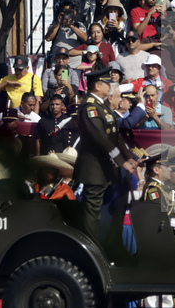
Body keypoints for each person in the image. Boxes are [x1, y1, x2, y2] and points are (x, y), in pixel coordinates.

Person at [74, 68, 137, 244]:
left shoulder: (102, 107)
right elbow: (101, 138)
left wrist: (128, 156)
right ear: (98, 85)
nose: (109, 86)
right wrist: (121, 162)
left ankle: (110, 246)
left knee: (111, 210)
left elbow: (115, 136)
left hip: (107, 170)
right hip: (94, 171)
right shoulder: (89, 108)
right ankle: (93, 252)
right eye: (106, 83)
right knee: (92, 215)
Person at [44, 1, 88, 71]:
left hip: (74, 65)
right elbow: (48, 38)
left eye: (69, 11)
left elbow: (85, 38)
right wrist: (59, 23)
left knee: (72, 82)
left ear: (74, 13)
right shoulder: (55, 25)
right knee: (60, 81)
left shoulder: (79, 25)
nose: (67, 14)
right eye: (64, 11)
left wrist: (71, 25)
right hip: (58, 65)